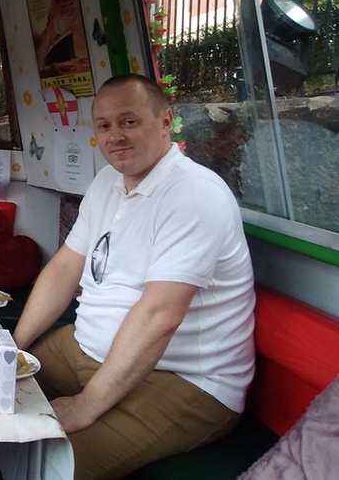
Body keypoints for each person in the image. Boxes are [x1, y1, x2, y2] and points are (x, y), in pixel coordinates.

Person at [13, 74, 256, 480]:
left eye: (129, 122)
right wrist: (12, 347)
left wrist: (87, 404)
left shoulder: (194, 195)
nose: (115, 136)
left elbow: (160, 314)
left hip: (183, 382)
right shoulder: (107, 181)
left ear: (165, 123)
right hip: (82, 348)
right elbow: (65, 267)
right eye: (105, 126)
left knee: (52, 465)